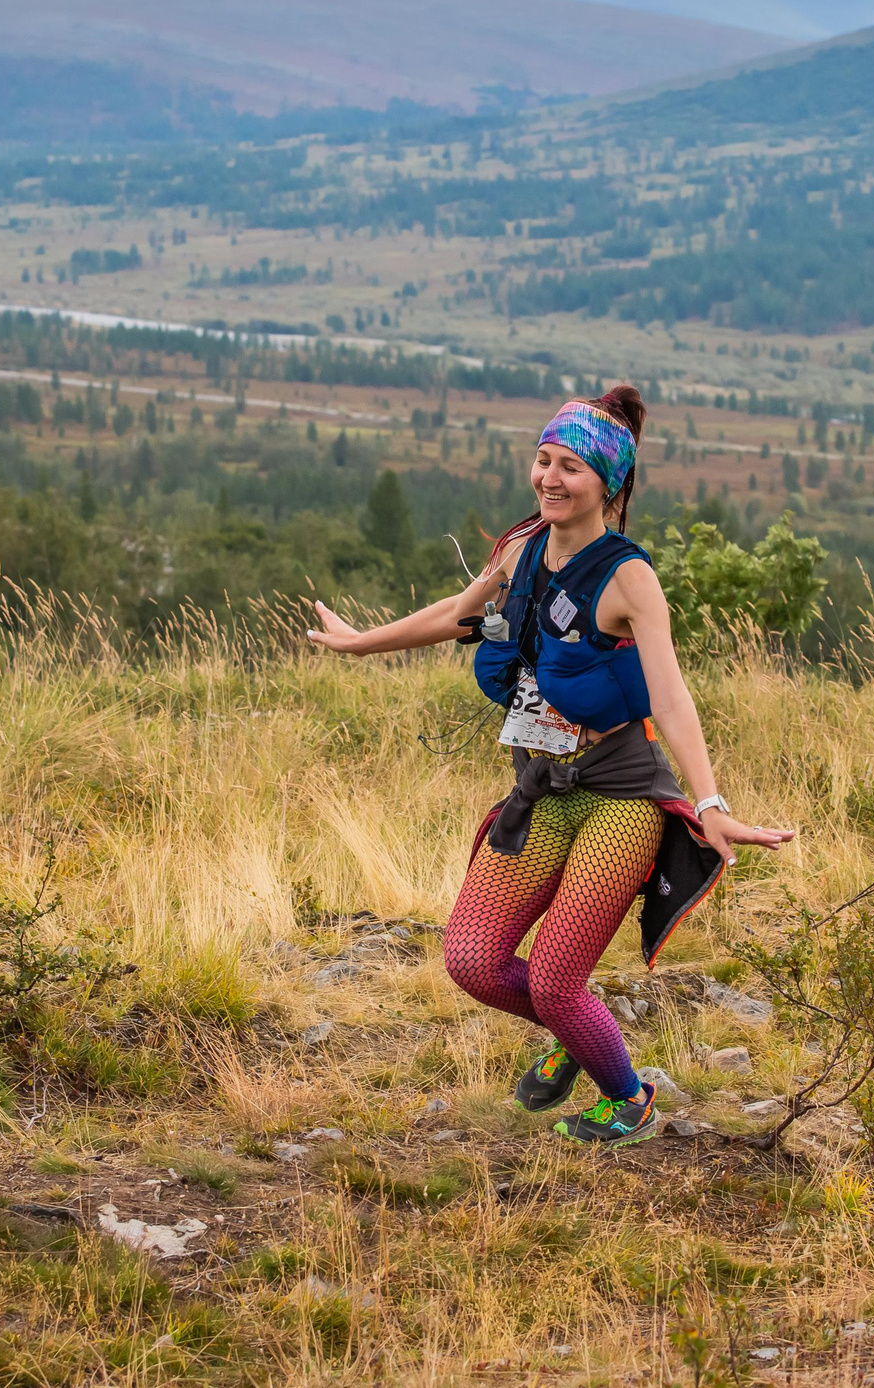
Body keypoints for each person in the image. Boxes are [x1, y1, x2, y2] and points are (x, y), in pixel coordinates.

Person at [306, 385, 793, 1146]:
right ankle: (581, 1033)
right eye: (543, 460)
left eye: (571, 467)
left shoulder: (628, 577)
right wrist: (358, 640)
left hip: (621, 798)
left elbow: (670, 697)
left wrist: (710, 802)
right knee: (472, 960)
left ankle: (628, 1098)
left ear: (609, 484)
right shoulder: (521, 547)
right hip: (540, 790)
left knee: (562, 980)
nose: (550, 479)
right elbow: (457, 615)